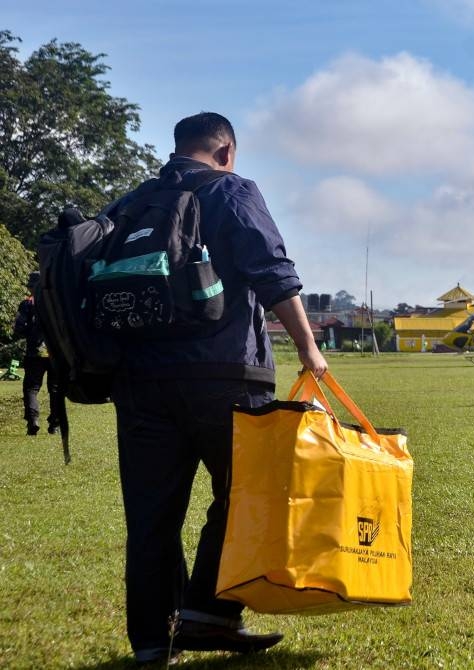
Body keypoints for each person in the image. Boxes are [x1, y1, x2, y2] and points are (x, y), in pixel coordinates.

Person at [103, 113, 327, 665]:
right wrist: (307, 346)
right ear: (225, 151)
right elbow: (273, 270)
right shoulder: (231, 191)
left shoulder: (130, 204)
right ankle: (208, 613)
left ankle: (153, 644)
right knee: (247, 493)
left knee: (152, 516)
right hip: (224, 375)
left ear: (178, 148)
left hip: (140, 384)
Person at [12, 271, 66, 436]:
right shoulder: (57, 302)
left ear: (31, 287)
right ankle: (55, 424)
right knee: (56, 389)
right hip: (55, 352)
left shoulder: (27, 304)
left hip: (34, 352)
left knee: (31, 388)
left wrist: (30, 332)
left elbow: (19, 328)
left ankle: (33, 421)